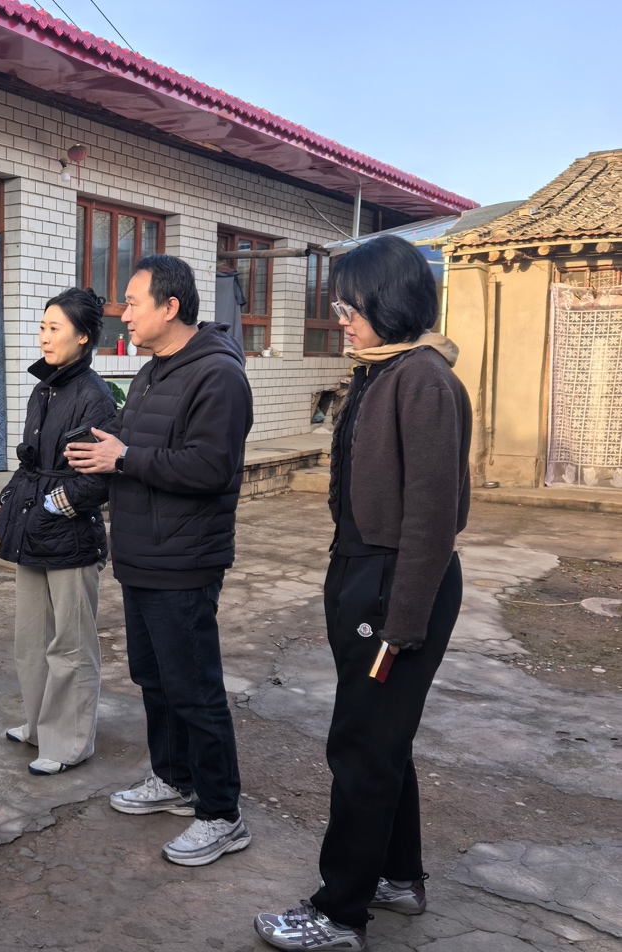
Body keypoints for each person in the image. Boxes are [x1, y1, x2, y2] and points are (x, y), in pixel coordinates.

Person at [253, 235, 472, 951]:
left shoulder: (422, 380)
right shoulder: (382, 371)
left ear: (388, 300)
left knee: (360, 748)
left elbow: (432, 518)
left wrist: (401, 623)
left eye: (349, 307)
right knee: (382, 741)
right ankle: (398, 877)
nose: (340, 320)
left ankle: (339, 913)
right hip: (362, 574)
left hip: (395, 585)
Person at [66, 254, 253, 866]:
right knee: (155, 678)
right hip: (142, 552)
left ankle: (221, 813)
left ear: (171, 307)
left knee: (194, 687)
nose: (123, 313)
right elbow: (132, 447)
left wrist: (123, 458)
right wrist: (99, 449)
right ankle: (175, 779)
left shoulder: (217, 375)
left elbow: (210, 467)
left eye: (133, 301)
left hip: (184, 557)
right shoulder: (152, 372)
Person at [0, 287, 118, 775]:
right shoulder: (44, 387)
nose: (44, 337)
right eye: (42, 327)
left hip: (69, 536)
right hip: (33, 531)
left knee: (71, 645)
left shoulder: (94, 396)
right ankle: (38, 725)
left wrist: (53, 505)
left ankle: (68, 743)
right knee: (31, 640)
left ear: (82, 336)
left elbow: (100, 476)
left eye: (54, 328)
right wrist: (17, 503)